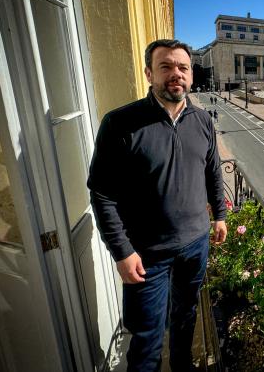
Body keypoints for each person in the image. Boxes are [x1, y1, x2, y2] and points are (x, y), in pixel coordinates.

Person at [87, 39, 227, 371]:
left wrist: (219, 215)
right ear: (149, 73)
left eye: (183, 67)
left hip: (195, 244)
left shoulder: (203, 121)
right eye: (165, 67)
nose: (175, 74)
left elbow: (213, 171)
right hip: (147, 254)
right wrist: (121, 251)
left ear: (192, 76)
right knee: (148, 339)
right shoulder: (120, 123)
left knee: (185, 316)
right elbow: (101, 192)